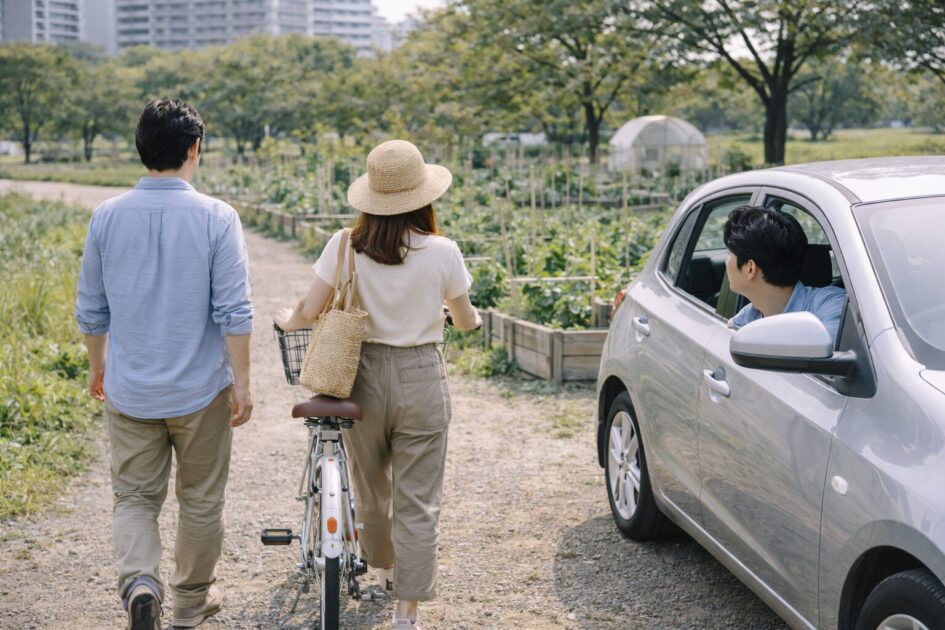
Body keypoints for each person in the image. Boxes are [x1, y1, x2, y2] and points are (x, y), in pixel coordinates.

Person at [275, 139, 480, 629]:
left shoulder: (345, 244)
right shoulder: (444, 252)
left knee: (372, 490)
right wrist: (456, 318)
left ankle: (383, 568)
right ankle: (407, 611)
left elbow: (308, 310)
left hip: (360, 379)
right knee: (418, 498)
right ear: (423, 197)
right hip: (421, 378)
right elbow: (466, 319)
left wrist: (288, 321)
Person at [75, 98, 254, 630]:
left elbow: (91, 307)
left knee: (134, 497)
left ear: (142, 149)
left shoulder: (106, 216)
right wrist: (242, 382)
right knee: (200, 499)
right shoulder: (218, 217)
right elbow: (234, 310)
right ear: (195, 149)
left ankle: (140, 582)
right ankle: (190, 602)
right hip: (200, 389)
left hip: (131, 388)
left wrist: (97, 364)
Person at [724, 205, 846, 343]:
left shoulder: (832, 305)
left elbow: (826, 359)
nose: (726, 261)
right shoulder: (747, 318)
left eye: (729, 253)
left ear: (750, 268)